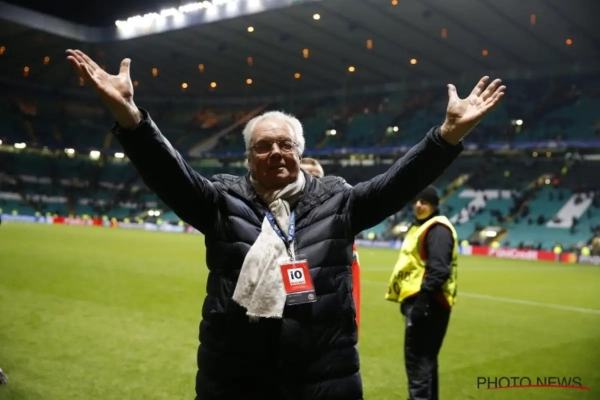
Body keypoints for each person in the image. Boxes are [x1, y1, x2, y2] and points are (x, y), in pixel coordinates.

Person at [65, 48, 505, 400]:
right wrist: (130, 117)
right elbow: (169, 174)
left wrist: (447, 135)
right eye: (263, 146)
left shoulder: (338, 201)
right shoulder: (221, 202)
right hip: (234, 377)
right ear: (248, 157)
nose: (275, 152)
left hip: (324, 377)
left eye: (285, 144)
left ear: (299, 152)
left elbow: (397, 184)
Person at [385, 185, 458, 400]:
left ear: (434, 205)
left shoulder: (437, 229)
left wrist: (421, 303)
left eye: (424, 201)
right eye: (416, 200)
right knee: (426, 364)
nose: (418, 204)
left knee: (418, 367)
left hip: (429, 306)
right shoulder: (423, 227)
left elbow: (438, 270)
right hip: (426, 304)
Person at [300, 157, 362, 337]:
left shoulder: (341, 228)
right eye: (305, 176)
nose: (312, 182)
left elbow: (352, 285)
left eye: (317, 177)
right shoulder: (270, 220)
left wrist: (352, 327)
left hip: (327, 327)